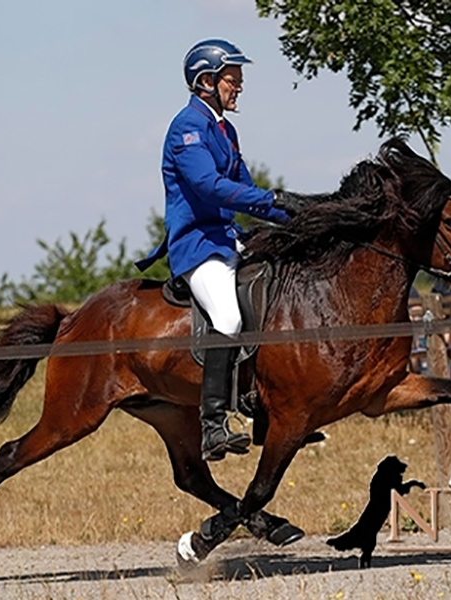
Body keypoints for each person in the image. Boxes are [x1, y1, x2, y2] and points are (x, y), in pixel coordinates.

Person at [136, 39, 295, 461]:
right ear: (206, 81)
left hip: (227, 238)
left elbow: (245, 187)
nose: (239, 86)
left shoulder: (226, 130)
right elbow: (210, 186)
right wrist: (272, 200)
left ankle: (263, 409)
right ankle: (212, 425)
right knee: (226, 314)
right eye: (232, 79)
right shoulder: (187, 129)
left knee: (275, 292)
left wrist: (294, 216)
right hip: (197, 244)